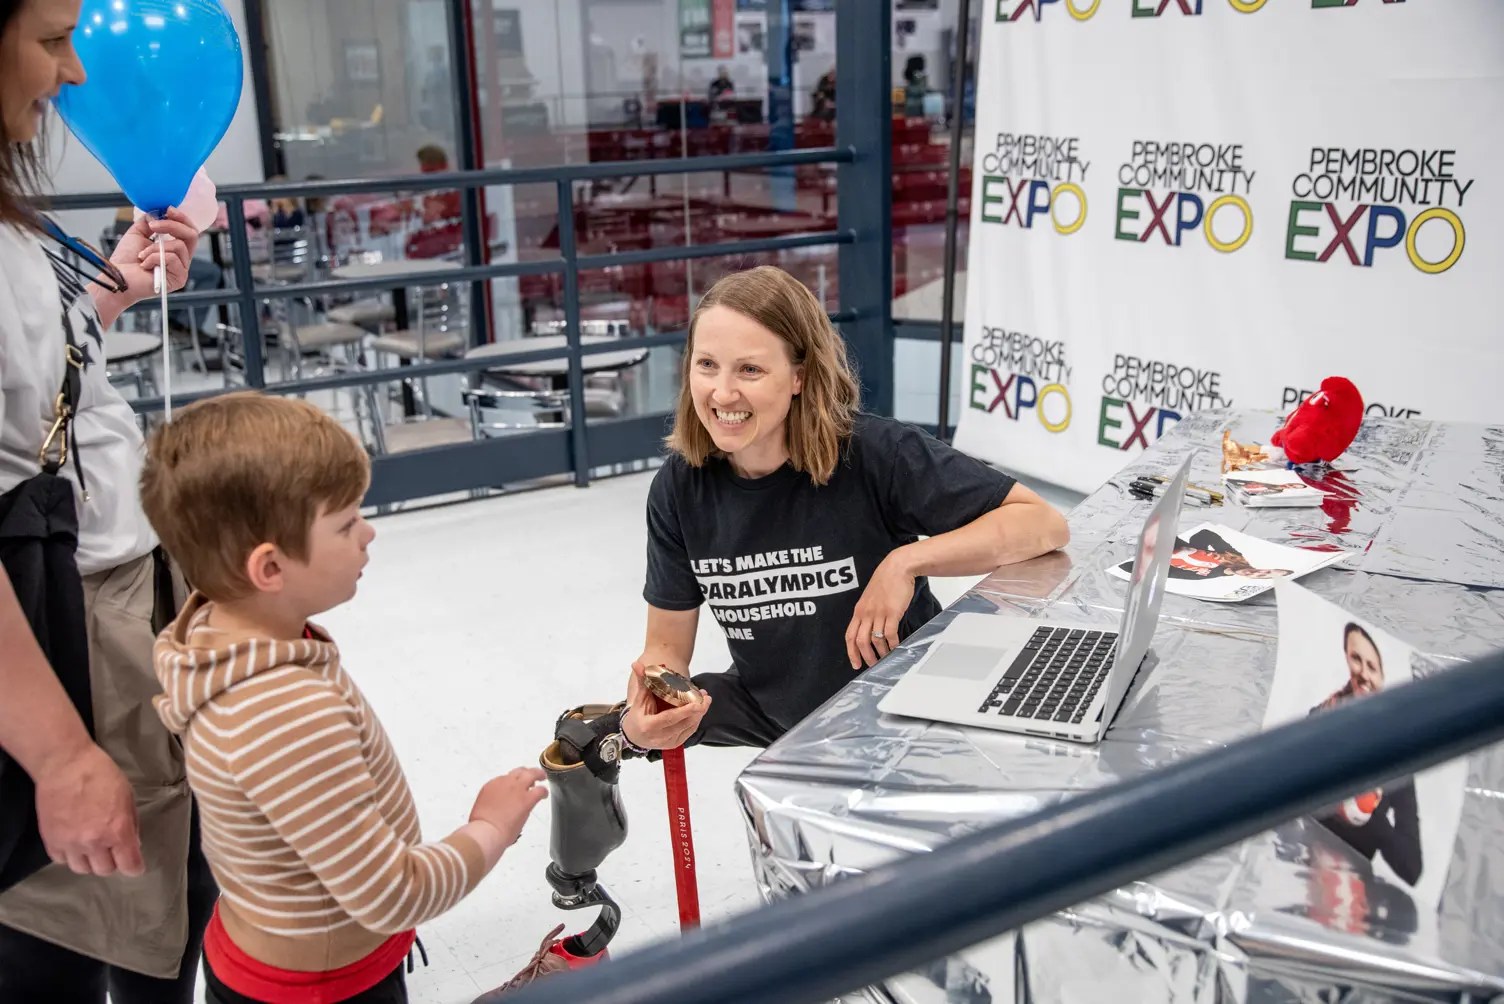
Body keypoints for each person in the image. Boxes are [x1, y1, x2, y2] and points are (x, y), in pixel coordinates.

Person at [139, 392, 548, 1004]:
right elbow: (392, 895)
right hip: (322, 986)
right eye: (346, 522)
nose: (369, 532)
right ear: (270, 569)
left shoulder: (217, 635)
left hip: (276, 944)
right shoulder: (281, 711)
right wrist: (490, 826)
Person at [608, 266, 1069, 755]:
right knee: (589, 738)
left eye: (750, 369)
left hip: (903, 714)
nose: (722, 393)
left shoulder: (874, 454)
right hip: (780, 714)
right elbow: (665, 648)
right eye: (706, 365)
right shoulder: (679, 490)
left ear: (799, 377)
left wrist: (905, 562)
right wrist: (650, 707)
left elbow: (1042, 523)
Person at [0, 1, 219, 999]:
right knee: (92, 909)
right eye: (51, 42)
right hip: (61, 614)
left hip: (113, 572)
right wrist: (58, 753)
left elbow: (30, 390)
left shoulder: (13, 215)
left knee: (166, 882)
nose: (75, 73)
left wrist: (105, 297)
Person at [1308, 623, 1422, 887]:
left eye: (1372, 666)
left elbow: (1412, 868)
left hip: (1355, 896)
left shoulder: (1398, 759)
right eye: (1356, 658)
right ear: (1346, 659)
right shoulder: (1319, 720)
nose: (1363, 672)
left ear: (1383, 677)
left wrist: (1367, 816)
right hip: (1303, 874)